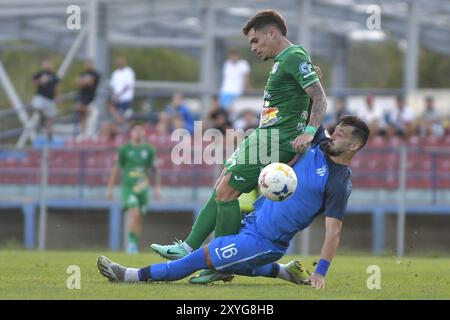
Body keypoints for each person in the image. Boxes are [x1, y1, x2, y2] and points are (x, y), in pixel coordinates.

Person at [150, 9, 328, 279]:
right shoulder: (286, 60)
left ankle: (220, 265)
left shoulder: (293, 56)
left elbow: (319, 97)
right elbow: (303, 93)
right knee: (223, 183)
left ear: (272, 33)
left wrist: (310, 131)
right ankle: (189, 247)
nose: (253, 48)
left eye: (256, 41)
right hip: (263, 135)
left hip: (274, 139)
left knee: (227, 192)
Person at [97, 116, 369, 288]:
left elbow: (334, 232)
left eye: (343, 134)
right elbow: (307, 106)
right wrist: (311, 80)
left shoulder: (338, 182)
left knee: (205, 256)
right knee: (229, 251)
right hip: (250, 223)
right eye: (336, 129)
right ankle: (286, 273)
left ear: (355, 146)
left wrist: (321, 273)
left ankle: (130, 275)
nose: (334, 134)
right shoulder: (319, 142)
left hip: (266, 242)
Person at [106, 123, 161, 254]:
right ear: (131, 133)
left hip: (143, 189)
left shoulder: (149, 150)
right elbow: (116, 168)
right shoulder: (124, 150)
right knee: (134, 213)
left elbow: (155, 170)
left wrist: (157, 188)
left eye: (140, 130)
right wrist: (110, 188)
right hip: (129, 188)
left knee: (138, 218)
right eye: (135, 130)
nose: (138, 133)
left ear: (144, 133)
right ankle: (131, 244)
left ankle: (133, 243)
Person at [31, 59, 60, 140]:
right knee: (37, 104)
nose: (48, 65)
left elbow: (57, 86)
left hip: (50, 99)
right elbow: (34, 83)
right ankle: (41, 118)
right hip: (41, 97)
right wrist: (41, 81)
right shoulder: (39, 74)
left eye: (49, 63)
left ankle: (49, 136)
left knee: (50, 118)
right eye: (46, 63)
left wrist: (58, 97)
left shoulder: (54, 75)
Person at [75, 59, 100, 138]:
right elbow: (78, 82)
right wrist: (83, 81)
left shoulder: (95, 74)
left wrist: (83, 81)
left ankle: (91, 133)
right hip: (83, 98)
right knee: (81, 114)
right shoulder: (83, 74)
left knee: (92, 114)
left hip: (91, 98)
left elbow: (89, 83)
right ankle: (82, 132)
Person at [108, 56, 135, 124]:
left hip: (126, 99)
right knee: (113, 111)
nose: (119, 62)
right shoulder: (115, 73)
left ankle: (129, 130)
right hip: (116, 99)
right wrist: (114, 95)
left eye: (121, 60)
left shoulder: (129, 71)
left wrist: (119, 94)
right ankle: (121, 129)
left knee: (128, 116)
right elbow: (112, 86)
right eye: (118, 60)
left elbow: (128, 85)